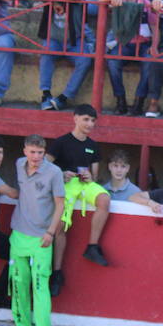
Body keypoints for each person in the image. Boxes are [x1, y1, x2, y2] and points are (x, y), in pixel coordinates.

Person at [5, 135, 64, 326]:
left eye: (40, 152)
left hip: (41, 236)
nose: (36, 156)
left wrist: (50, 232)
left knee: (40, 284)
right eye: (32, 152)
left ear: (44, 152)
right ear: (25, 151)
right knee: (18, 283)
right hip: (19, 232)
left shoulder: (54, 172)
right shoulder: (19, 164)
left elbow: (60, 204)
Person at [47, 104, 111, 288]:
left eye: (93, 121)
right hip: (64, 184)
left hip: (84, 184)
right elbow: (44, 167)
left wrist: (91, 177)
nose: (90, 124)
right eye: (86, 119)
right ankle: (57, 272)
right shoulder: (61, 142)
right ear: (75, 118)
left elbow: (95, 176)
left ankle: (92, 246)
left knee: (104, 199)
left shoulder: (93, 146)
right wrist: (61, 174)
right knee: (60, 226)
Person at [27, 0, 92, 111]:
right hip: (54, 40)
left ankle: (64, 98)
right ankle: (46, 95)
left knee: (86, 60)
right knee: (46, 54)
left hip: (74, 41)